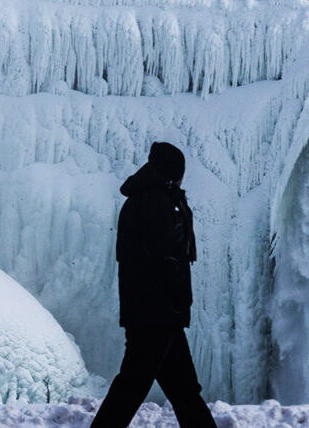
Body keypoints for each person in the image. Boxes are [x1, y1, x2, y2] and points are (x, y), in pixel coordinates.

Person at [90, 142, 216, 428]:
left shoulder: (144, 200)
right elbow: (166, 259)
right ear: (172, 173)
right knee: (133, 387)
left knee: (183, 390)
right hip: (157, 314)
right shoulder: (156, 203)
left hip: (155, 313)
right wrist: (178, 300)